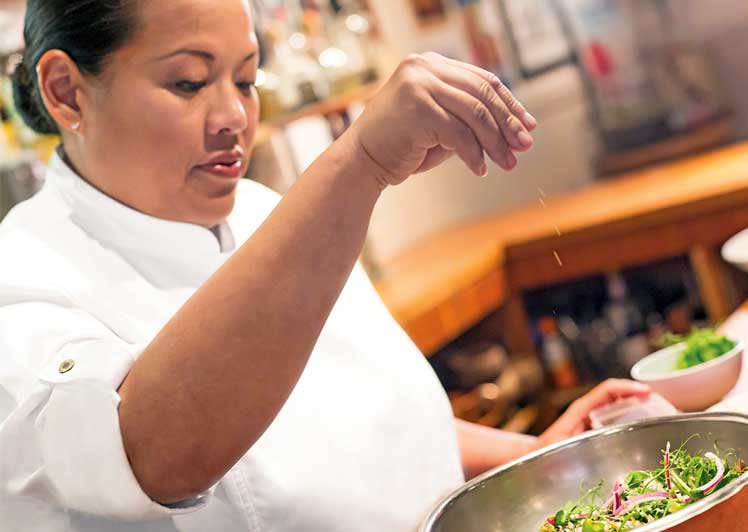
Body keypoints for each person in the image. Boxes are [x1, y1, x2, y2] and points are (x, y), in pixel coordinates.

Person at [0, 1, 651, 531]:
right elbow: (149, 453)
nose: (234, 118)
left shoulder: (261, 210)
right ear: (66, 92)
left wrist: (538, 459)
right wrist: (359, 164)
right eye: (189, 82)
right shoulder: (25, 280)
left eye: (247, 80)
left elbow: (363, 417)